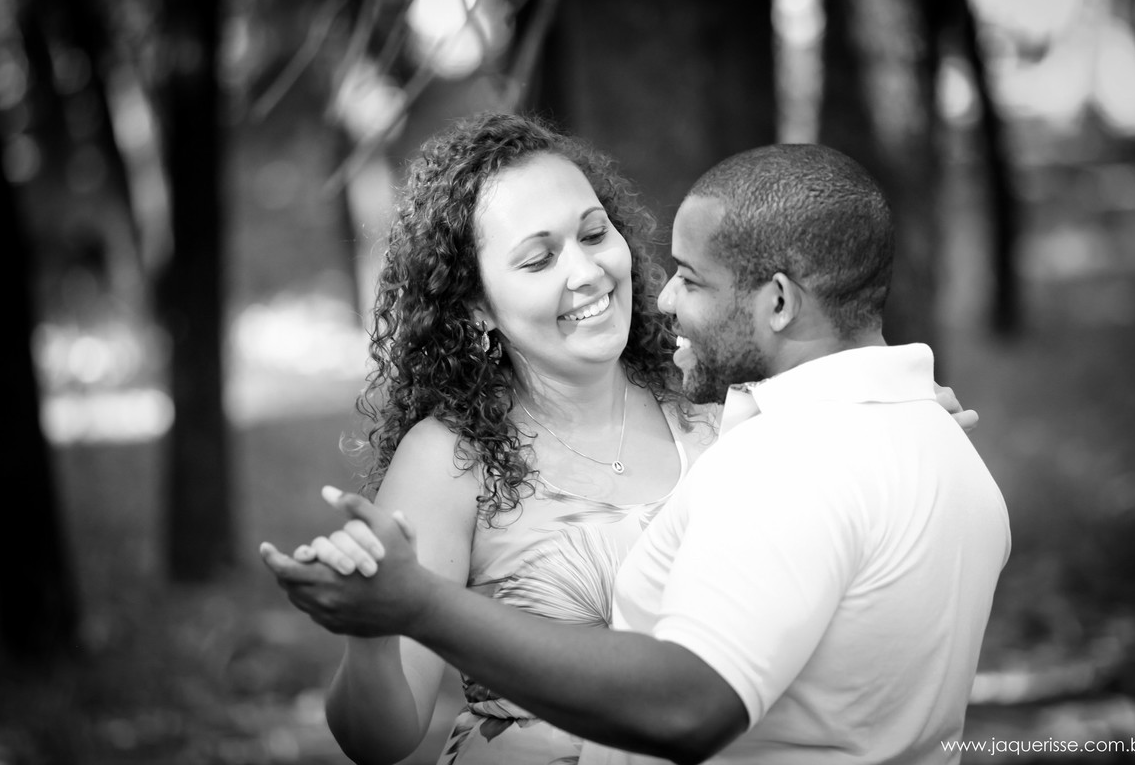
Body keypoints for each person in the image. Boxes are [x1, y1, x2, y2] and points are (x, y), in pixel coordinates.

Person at [262, 141, 1009, 764]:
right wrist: (371, 633)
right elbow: (378, 743)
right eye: (537, 258)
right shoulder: (449, 461)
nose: (586, 273)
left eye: (593, 233)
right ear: (475, 309)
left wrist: (884, 423)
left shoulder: (729, 421)